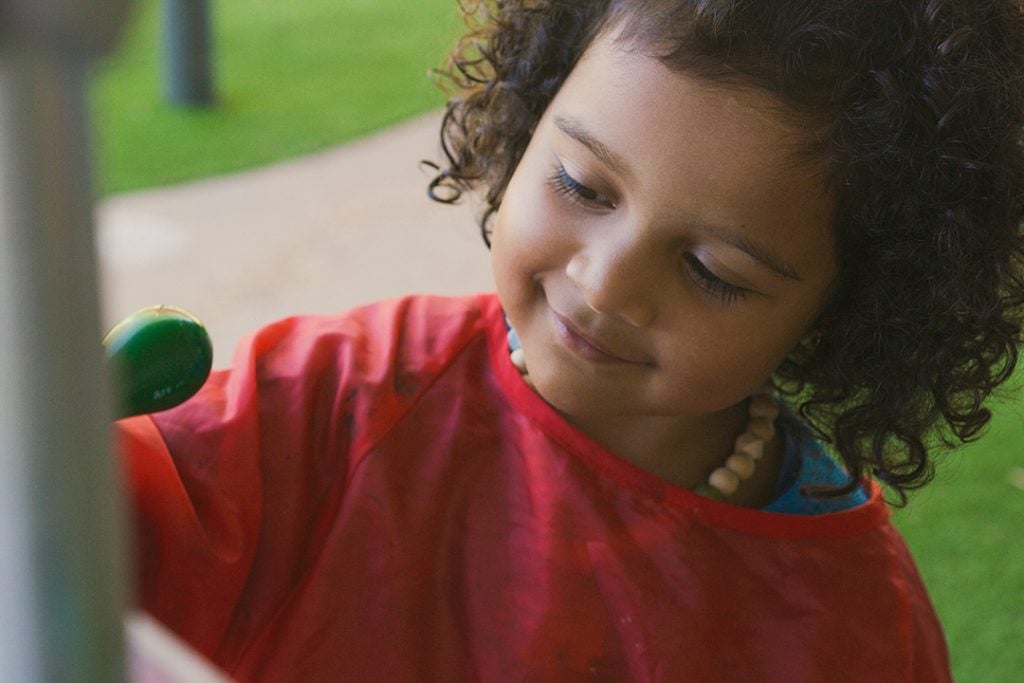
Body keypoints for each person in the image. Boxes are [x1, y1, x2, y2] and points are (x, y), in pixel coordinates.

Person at [116, 0, 1024, 680]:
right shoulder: (340, 398)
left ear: (853, 307)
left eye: (712, 270)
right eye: (583, 186)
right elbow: (83, 539)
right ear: (531, 110)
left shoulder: (855, 621)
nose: (604, 284)